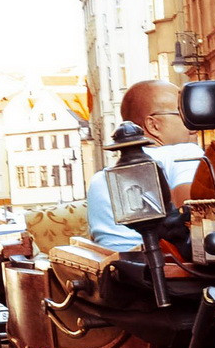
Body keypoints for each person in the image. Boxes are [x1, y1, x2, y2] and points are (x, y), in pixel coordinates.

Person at [86, 80, 208, 250]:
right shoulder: (185, 153)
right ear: (153, 125)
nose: (193, 127)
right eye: (183, 114)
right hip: (172, 270)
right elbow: (197, 221)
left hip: (117, 270)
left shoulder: (99, 179)